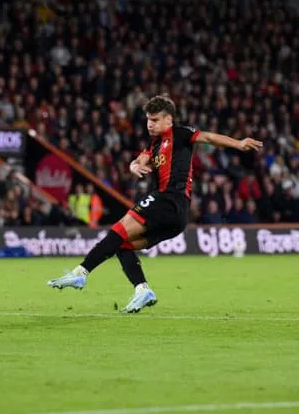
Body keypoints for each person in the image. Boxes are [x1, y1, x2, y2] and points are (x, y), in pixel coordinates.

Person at [47, 96, 263, 313]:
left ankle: (80, 273)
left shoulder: (180, 134)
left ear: (168, 120)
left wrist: (239, 143)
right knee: (122, 244)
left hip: (169, 199)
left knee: (118, 231)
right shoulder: (155, 145)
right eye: (148, 120)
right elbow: (140, 160)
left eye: (156, 119)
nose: (150, 124)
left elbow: (208, 137)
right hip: (176, 218)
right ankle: (142, 290)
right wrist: (134, 166)